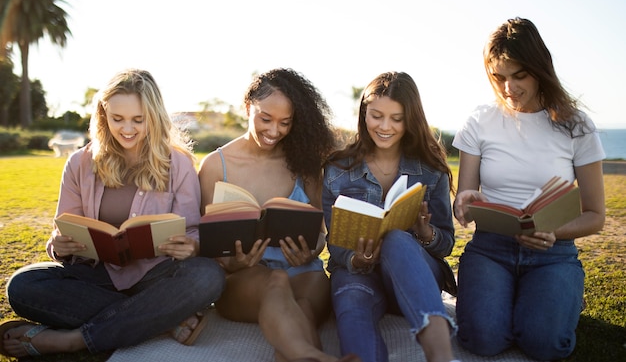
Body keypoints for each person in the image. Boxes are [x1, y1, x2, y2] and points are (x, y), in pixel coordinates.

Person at [0, 69, 225, 358]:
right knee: (23, 285)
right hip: (95, 275)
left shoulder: (177, 164)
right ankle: (161, 320)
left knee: (207, 276)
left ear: (153, 118)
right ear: (104, 116)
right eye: (117, 119)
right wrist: (58, 246)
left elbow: (192, 231)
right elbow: (63, 230)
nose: (127, 129)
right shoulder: (79, 163)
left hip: (155, 275)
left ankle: (71, 340)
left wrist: (191, 245)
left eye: (137, 120)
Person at [452, 17, 606, 360]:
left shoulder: (576, 126)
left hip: (553, 254)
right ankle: (527, 297)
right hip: (491, 249)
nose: (508, 88)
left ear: (540, 69)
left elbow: (596, 215)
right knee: (483, 340)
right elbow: (463, 201)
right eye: (499, 77)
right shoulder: (479, 121)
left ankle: (561, 294)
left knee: (544, 343)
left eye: (519, 75)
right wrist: (463, 201)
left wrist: (555, 232)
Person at [198, 68, 359, 362]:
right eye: (265, 119)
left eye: (285, 123)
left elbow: (320, 232)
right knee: (276, 282)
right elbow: (208, 247)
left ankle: (294, 356)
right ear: (248, 108)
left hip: (303, 273)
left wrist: (312, 250)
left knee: (306, 305)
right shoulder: (214, 166)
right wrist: (233, 262)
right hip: (244, 279)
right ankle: (315, 356)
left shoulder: (305, 163)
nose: (274, 131)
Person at [322, 71, 461, 362]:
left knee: (397, 239)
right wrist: (356, 259)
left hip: (414, 276)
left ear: (411, 120)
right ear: (364, 114)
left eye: (396, 119)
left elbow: (446, 242)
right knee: (350, 301)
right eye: (376, 116)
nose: (385, 127)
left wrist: (426, 234)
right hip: (360, 273)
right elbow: (335, 243)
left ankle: (441, 356)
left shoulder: (430, 169)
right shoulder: (337, 169)